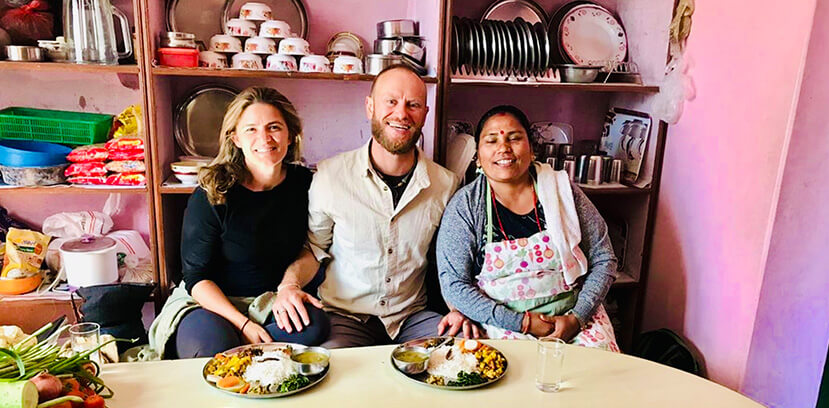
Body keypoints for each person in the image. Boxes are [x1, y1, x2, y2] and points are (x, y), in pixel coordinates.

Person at [272, 65, 476, 347]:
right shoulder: (331, 176)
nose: (402, 113)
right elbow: (314, 249)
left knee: (464, 355)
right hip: (345, 318)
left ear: (425, 115)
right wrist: (289, 286)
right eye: (391, 102)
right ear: (370, 107)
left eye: (413, 105)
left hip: (411, 318)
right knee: (336, 374)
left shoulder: (445, 184)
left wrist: (457, 309)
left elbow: (450, 260)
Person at [149, 87, 329, 358]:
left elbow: (313, 249)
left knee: (314, 327)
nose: (264, 138)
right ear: (235, 138)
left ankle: (252, 357)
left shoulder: (306, 184)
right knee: (212, 350)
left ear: (291, 135)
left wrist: (288, 287)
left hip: (270, 301)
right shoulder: (213, 192)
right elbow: (196, 278)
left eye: (274, 127)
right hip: (211, 304)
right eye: (251, 130)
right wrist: (242, 323)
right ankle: (241, 349)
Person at [436, 105, 620, 350]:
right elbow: (454, 284)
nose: (504, 148)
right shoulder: (466, 206)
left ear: (532, 149)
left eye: (514, 138)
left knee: (594, 376)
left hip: (572, 319)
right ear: (478, 156)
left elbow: (604, 258)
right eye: (492, 140)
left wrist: (577, 318)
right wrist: (522, 322)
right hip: (499, 324)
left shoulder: (563, 192)